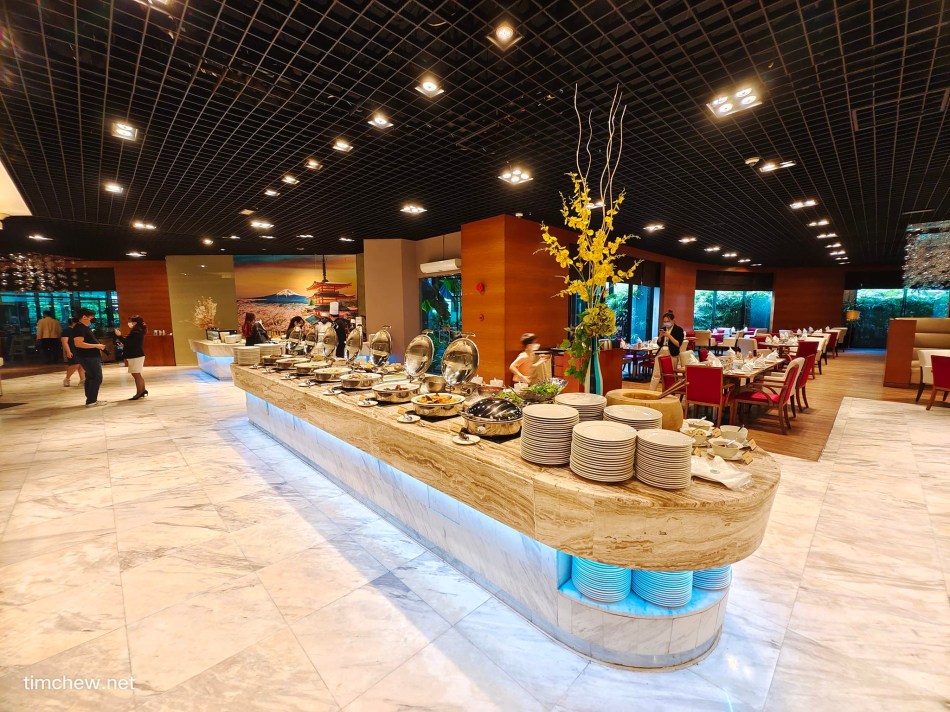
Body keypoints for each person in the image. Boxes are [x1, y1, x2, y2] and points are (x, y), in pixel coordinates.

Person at [72, 308, 108, 407]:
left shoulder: (83, 327)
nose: (92, 320)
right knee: (97, 377)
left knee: (91, 377)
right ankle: (91, 400)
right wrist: (97, 346)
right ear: (84, 317)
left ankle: (91, 399)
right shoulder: (80, 328)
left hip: (89, 356)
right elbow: (78, 343)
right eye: (91, 318)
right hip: (88, 357)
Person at [114, 315, 148, 400]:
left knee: (136, 374)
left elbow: (128, 342)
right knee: (137, 373)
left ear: (135, 323)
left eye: (131, 321)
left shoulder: (136, 332)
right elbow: (131, 343)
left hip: (135, 355)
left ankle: (139, 392)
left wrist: (119, 336)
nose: (129, 323)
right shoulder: (138, 331)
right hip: (136, 354)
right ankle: (142, 390)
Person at [60, 316, 86, 387]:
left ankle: (83, 380)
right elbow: (64, 342)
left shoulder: (77, 330)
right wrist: (68, 351)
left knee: (81, 364)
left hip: (80, 349)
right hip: (72, 349)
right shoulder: (66, 330)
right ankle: (67, 379)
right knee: (75, 364)